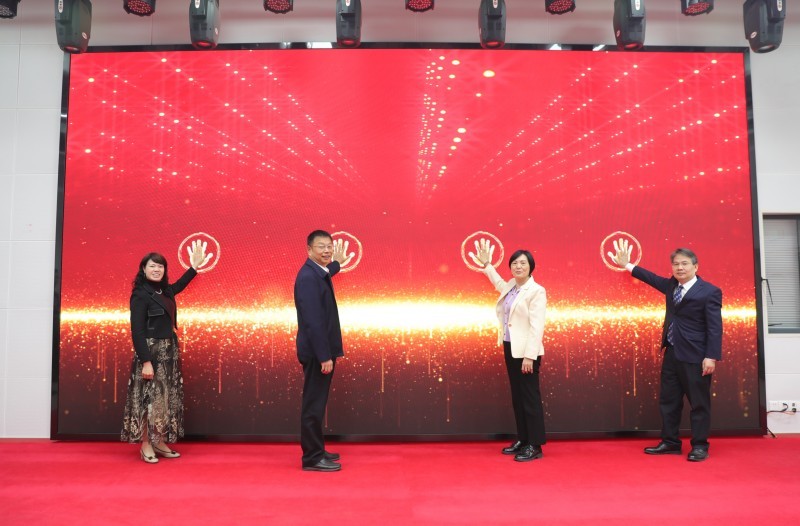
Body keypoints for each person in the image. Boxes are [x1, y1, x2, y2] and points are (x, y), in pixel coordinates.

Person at [608, 239, 722, 462]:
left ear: (696, 266)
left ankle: (700, 446)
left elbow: (715, 327)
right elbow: (651, 278)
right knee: (669, 401)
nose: (680, 268)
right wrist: (627, 265)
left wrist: (711, 356)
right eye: (676, 264)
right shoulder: (672, 286)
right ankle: (670, 442)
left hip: (696, 357)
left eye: (685, 264)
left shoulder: (710, 292)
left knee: (699, 404)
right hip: (671, 354)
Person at [121, 241, 211, 464]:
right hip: (150, 353)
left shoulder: (165, 290)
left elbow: (179, 285)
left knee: (164, 398)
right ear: (143, 269)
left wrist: (194, 267)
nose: (156, 269)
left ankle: (159, 441)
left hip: (169, 352)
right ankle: (146, 444)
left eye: (160, 266)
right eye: (152, 266)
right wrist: (146, 362)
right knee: (148, 399)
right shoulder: (140, 294)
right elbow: (137, 331)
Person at [470, 238, 547, 462]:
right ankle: (523, 438)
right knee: (517, 397)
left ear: (531, 267)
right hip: (510, 347)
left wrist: (529, 356)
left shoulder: (537, 291)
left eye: (523, 263)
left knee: (529, 398)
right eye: (514, 263)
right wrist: (487, 265)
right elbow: (498, 284)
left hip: (526, 353)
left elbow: (537, 326)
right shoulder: (512, 286)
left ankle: (535, 445)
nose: (518, 267)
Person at [294, 230, 352, 472]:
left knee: (317, 403)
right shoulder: (308, 277)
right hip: (318, 353)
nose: (327, 250)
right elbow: (313, 321)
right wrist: (324, 356)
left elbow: (327, 272)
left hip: (321, 350)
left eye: (329, 246)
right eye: (321, 246)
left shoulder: (317, 272)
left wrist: (337, 263)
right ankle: (312, 458)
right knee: (314, 405)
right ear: (309, 249)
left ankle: (317, 449)